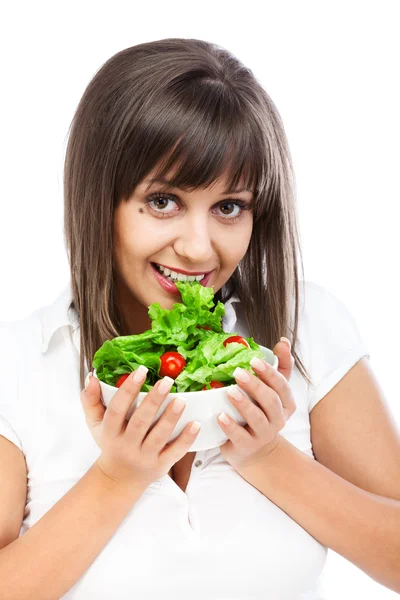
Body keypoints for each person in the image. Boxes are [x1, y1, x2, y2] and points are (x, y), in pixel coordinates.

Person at [1, 38, 386, 599]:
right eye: (164, 201)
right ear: (98, 200)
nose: (200, 248)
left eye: (229, 207)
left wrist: (268, 457)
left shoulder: (306, 330)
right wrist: (117, 477)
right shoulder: (20, 363)